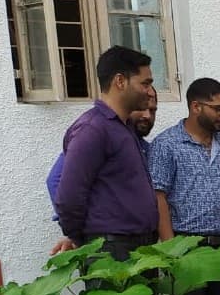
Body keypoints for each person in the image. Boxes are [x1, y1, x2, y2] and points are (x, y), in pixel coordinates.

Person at [149, 77, 220, 295]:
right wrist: (171, 250)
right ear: (196, 107)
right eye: (217, 109)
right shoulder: (167, 144)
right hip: (187, 248)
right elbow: (159, 198)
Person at [53, 46, 157, 260]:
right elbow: (69, 197)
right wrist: (79, 239)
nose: (149, 91)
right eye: (145, 83)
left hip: (137, 247)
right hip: (112, 251)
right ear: (120, 81)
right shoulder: (93, 129)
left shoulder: (124, 127)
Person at [47, 87, 157, 229]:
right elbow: (55, 180)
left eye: (153, 110)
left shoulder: (147, 150)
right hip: (107, 237)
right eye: (141, 108)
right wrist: (82, 228)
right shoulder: (98, 134)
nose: (147, 115)